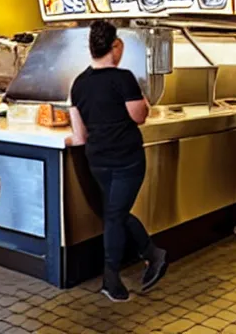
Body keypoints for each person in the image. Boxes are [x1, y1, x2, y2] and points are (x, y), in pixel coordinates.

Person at [66, 20, 168, 302]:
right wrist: (144, 102)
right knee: (115, 214)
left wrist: (67, 140)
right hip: (127, 160)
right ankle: (146, 257)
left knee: (114, 214)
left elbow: (80, 135)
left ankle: (119, 272)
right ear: (116, 46)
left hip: (97, 161)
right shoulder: (123, 78)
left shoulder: (78, 83)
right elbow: (139, 116)